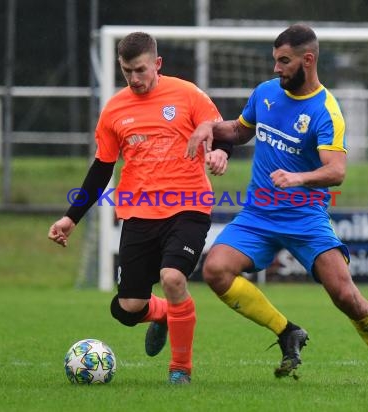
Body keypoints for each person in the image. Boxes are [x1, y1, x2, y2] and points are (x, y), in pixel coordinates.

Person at [185, 23, 368, 386]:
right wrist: (208, 128)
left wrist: (299, 178)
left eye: (284, 61)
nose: (276, 68)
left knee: (345, 296)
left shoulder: (326, 110)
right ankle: (287, 331)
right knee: (215, 270)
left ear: (308, 60)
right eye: (275, 60)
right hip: (258, 213)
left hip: (305, 217)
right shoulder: (265, 93)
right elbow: (241, 132)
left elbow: (336, 171)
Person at [48, 32, 231, 384]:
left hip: (188, 206)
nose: (134, 78)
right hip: (138, 214)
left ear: (157, 64)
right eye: (127, 71)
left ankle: (180, 370)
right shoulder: (115, 109)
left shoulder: (187, 94)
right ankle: (164, 314)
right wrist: (72, 217)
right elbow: (102, 168)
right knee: (127, 309)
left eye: (141, 70)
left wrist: (222, 151)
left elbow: (220, 132)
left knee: (173, 278)